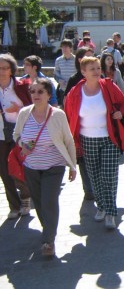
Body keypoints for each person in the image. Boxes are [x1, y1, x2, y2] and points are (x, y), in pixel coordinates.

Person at [65, 56, 124, 230]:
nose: (96, 71)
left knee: (109, 176)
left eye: (97, 68)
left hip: (109, 138)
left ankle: (110, 212)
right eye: (91, 69)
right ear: (83, 72)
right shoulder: (75, 92)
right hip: (87, 139)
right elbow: (70, 115)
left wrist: (120, 113)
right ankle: (101, 206)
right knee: (94, 177)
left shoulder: (108, 86)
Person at [13, 78, 76, 256]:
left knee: (49, 200)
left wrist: (72, 166)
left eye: (40, 91)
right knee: (39, 202)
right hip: (31, 166)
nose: (35, 95)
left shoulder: (58, 115)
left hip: (54, 166)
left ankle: (49, 240)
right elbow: (16, 134)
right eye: (32, 91)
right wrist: (22, 145)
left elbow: (68, 141)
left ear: (49, 95)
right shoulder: (24, 113)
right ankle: (47, 228)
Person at [0, 54, 32, 220]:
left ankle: (25, 196)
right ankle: (14, 206)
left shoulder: (21, 86)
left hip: (20, 133)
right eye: (0, 68)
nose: (2, 71)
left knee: (20, 167)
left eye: (5, 68)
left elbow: (33, 108)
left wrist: (17, 110)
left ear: (12, 70)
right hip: (0, 134)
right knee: (4, 172)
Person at [63, 47, 95, 201]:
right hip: (80, 128)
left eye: (93, 57)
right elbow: (67, 103)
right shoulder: (74, 79)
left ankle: (96, 188)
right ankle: (88, 189)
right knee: (82, 160)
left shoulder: (101, 80)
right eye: (87, 57)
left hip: (98, 130)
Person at [54, 39, 76, 105]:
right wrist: (59, 80)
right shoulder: (58, 60)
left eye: (66, 47)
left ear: (71, 48)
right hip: (63, 90)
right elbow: (55, 74)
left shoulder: (76, 59)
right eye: (62, 47)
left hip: (74, 89)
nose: (64, 49)